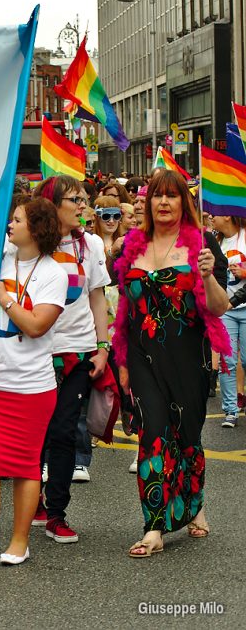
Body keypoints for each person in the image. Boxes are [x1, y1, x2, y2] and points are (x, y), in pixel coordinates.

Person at [113, 170, 230, 557]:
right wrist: (123, 360)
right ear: (147, 204)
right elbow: (125, 310)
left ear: (184, 202)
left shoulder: (202, 244)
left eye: (172, 196)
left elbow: (219, 307)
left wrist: (209, 275)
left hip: (188, 357)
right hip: (144, 357)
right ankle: (154, 526)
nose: (164, 203)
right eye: (157, 197)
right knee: (154, 435)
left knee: (187, 436)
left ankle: (193, 505)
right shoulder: (133, 244)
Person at [0, 198, 67, 568]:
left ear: (36, 228)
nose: (11, 223)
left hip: (32, 387)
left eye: (18, 218)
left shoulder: (55, 273)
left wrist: (5, 298)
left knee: (25, 467)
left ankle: (19, 543)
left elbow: (37, 325)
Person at [33, 176, 113, 543]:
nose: (83, 206)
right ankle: (31, 500)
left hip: (77, 352)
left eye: (84, 199)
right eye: (74, 199)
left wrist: (102, 346)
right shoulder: (25, 244)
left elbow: (97, 298)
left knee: (64, 432)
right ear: (51, 204)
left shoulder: (91, 244)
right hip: (33, 353)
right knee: (34, 434)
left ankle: (56, 512)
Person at [211, 214, 246, 427]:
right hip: (224, 309)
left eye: (214, 215)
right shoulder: (214, 241)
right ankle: (230, 410)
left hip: (243, 305)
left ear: (227, 215)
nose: (211, 218)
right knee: (227, 361)